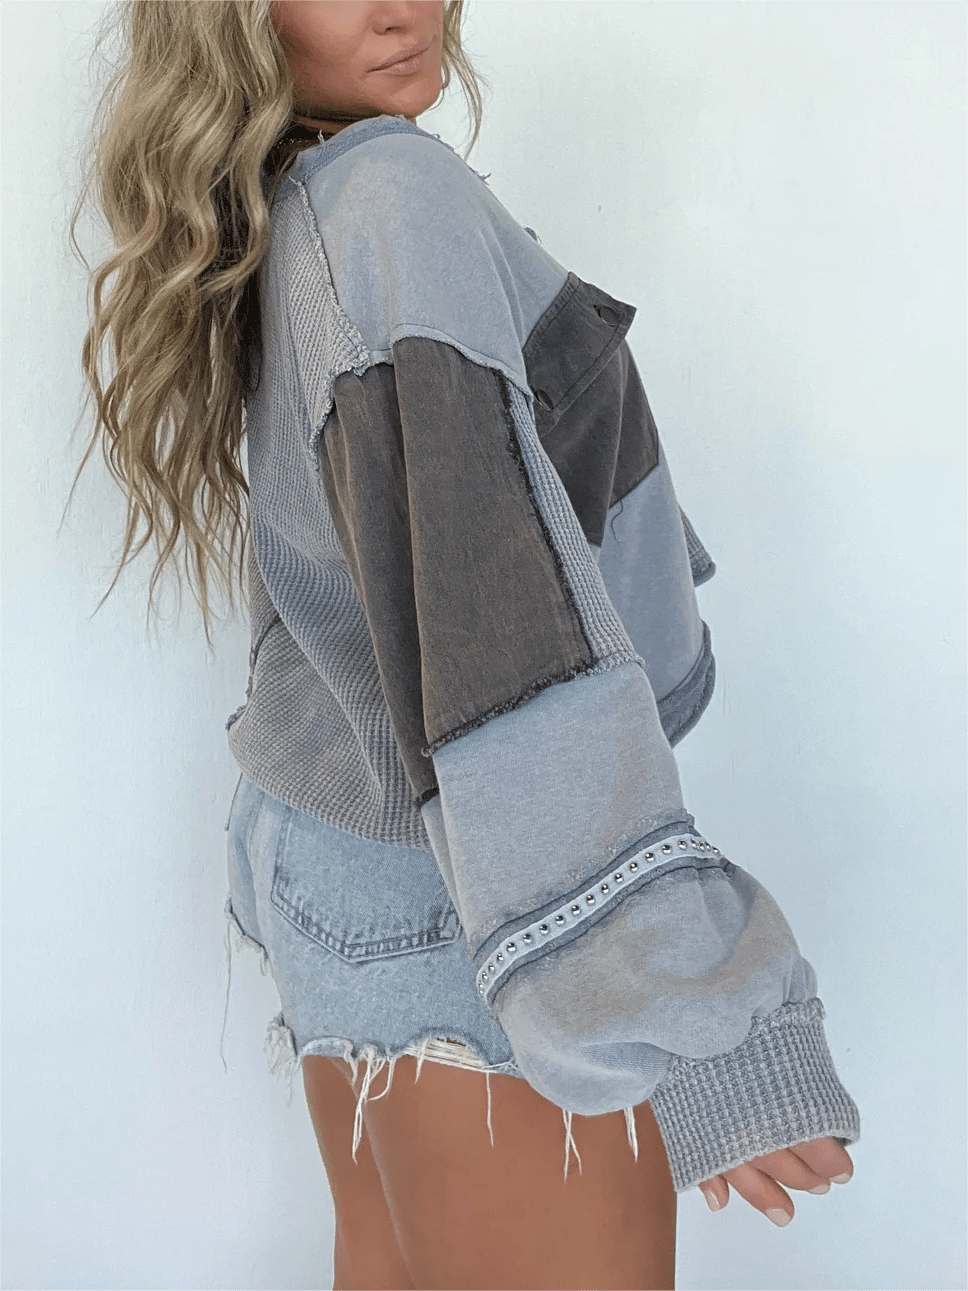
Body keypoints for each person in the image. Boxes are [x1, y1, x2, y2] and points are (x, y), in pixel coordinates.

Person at [70, 3, 860, 1288]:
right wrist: (692, 1006)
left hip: (333, 850)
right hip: (467, 889)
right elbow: (498, 633)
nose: (401, 5)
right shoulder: (390, 195)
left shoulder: (301, 194)